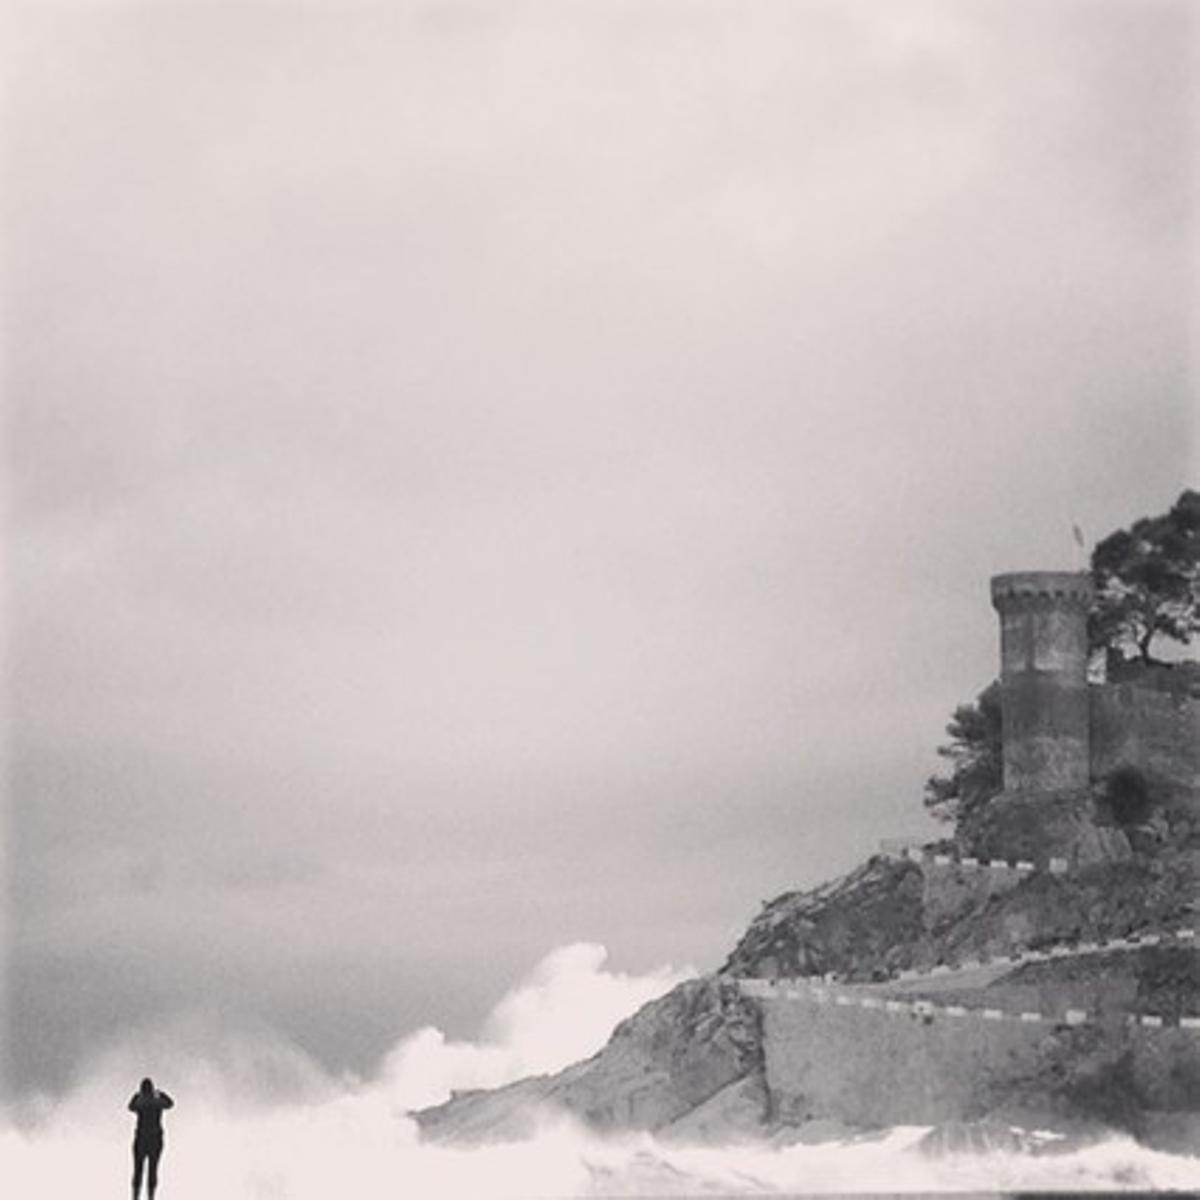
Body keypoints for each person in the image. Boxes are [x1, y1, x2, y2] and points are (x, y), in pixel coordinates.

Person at [128, 1077, 174, 1200]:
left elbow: (130, 1107)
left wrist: (136, 1096)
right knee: (153, 1170)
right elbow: (170, 1104)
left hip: (141, 1138)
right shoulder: (157, 1102)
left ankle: (135, 1197)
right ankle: (151, 1197)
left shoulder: (141, 1103)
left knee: (138, 1169)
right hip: (155, 1139)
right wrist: (162, 1094)